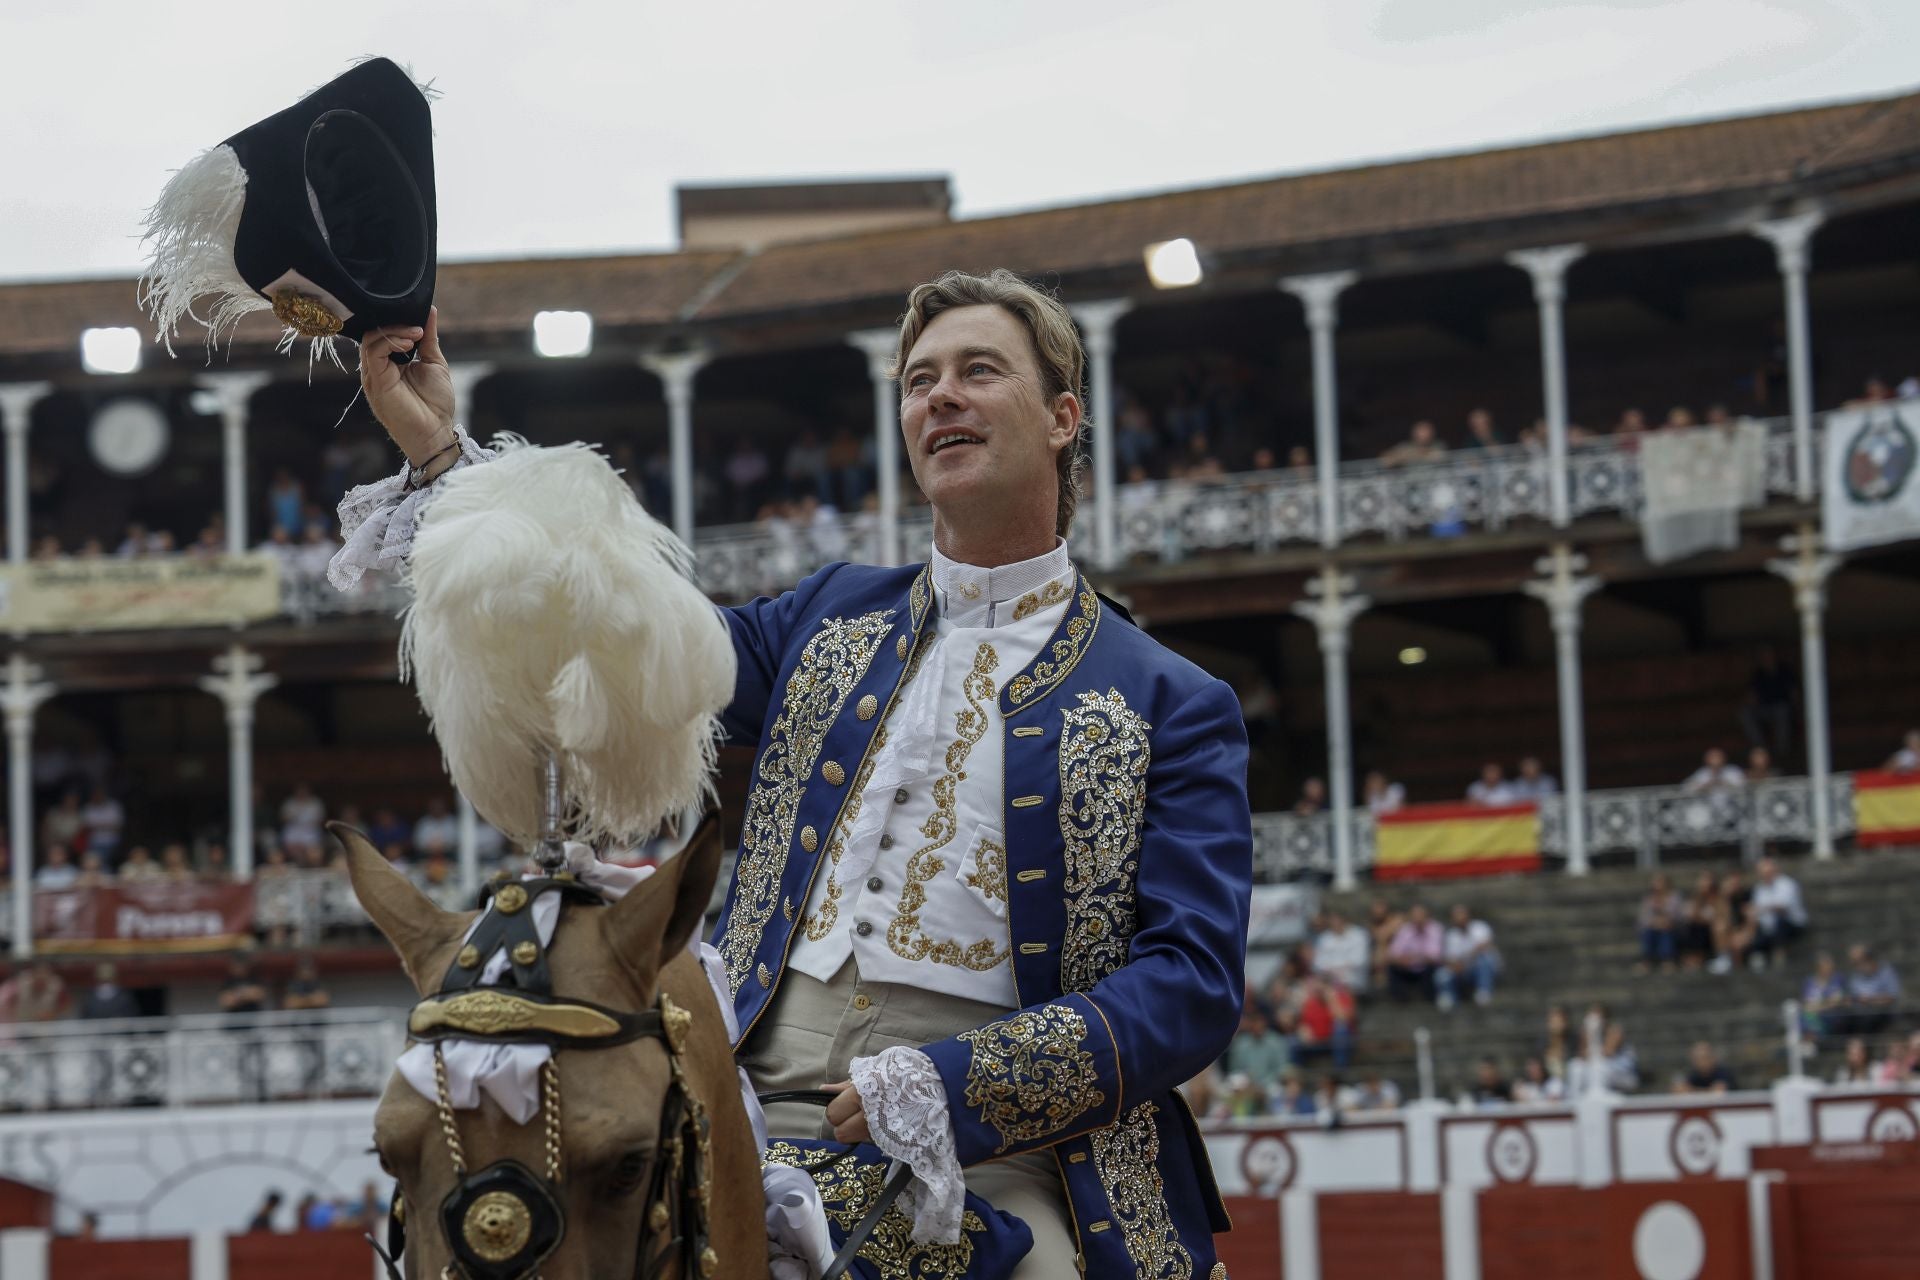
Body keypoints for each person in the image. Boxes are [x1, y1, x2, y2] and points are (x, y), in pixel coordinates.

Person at [343, 269, 1254, 1275]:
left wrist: (959, 1085)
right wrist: (444, 458)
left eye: (979, 371)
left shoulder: (1172, 698)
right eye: (919, 380)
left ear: (1063, 417)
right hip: (741, 1092)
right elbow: (614, 626)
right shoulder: (831, 614)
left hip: (1001, 1152)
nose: (939, 395)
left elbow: (1192, 981)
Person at [1436, 903, 1500, 1009]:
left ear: (1468, 915)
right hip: (1461, 969)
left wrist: (1467, 959)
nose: (1460, 919)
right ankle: (1448, 998)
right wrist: (1458, 965)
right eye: (1456, 916)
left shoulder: (1480, 927)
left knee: (1485, 960)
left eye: (1462, 915)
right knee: (1441, 974)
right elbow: (1450, 959)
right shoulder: (1451, 935)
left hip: (1478, 967)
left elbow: (1485, 947)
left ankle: (1483, 992)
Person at [1747, 857, 1807, 969]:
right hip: (1767, 925)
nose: (1765, 875)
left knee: (1779, 920)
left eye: (1767, 872)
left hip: (1791, 923)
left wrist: (1761, 909)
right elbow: (1755, 910)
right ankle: (1756, 954)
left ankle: (1779, 955)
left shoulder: (1787, 884)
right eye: (1762, 873)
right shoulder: (1759, 888)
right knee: (1754, 924)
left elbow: (1782, 908)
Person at [1740, 646, 1796, 761]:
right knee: (1744, 713)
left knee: (1782, 711)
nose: (1766, 658)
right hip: (1763, 709)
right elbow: (1751, 696)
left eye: (1769, 655)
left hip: (1781, 708)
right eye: (1763, 656)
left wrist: (1796, 707)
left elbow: (1794, 693)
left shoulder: (1785, 671)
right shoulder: (1758, 674)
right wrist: (1751, 701)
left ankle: (1782, 751)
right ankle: (1761, 748)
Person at [1386, 904, 1444, 1002]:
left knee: (1433, 968)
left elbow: (1435, 956)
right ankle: (1399, 1000)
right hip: (1408, 967)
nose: (1417, 919)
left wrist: (1414, 958)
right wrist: (1401, 960)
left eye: (1420, 916)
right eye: (1415, 916)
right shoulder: (1405, 930)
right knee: (1392, 968)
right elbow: (1393, 953)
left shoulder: (1435, 929)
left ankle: (1430, 998)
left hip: (1426, 968)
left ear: (1427, 917)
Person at [1841, 944, 1900, 1036]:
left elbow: (1891, 997)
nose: (1859, 966)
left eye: (1862, 961)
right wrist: (1852, 1000)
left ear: (1870, 960)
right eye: (1857, 963)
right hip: (1859, 1011)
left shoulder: (1886, 971)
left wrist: (1871, 1000)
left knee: (1868, 1019)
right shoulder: (1856, 975)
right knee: (1842, 1018)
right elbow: (1850, 998)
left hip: (1881, 1011)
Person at [1313, 910, 1370, 993]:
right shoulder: (1324, 938)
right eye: (1332, 921)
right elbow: (1318, 963)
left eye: (1337, 920)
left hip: (1352, 980)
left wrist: (1335, 969)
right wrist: (1334, 970)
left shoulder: (1359, 935)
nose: (1335, 923)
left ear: (1344, 920)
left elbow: (1359, 961)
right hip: (1329, 979)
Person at [1636, 872, 1683, 974]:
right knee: (1648, 932)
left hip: (1671, 927)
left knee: (1666, 931)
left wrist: (1665, 920)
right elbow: (1643, 919)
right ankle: (1647, 960)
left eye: (1660, 881)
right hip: (1653, 927)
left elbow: (1677, 915)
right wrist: (1655, 922)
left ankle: (1668, 959)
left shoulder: (1674, 897)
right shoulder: (1648, 899)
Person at [1800, 953, 1849, 1041]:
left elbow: (1837, 1001)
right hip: (1812, 1014)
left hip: (1830, 1016)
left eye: (1830, 967)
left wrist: (1819, 1007)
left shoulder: (1838, 979)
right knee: (1801, 1016)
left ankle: (1814, 1040)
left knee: (1817, 1017)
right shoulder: (1809, 982)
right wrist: (1820, 1005)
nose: (1829, 969)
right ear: (1819, 968)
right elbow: (1806, 1004)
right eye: (1826, 966)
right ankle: (1808, 1040)